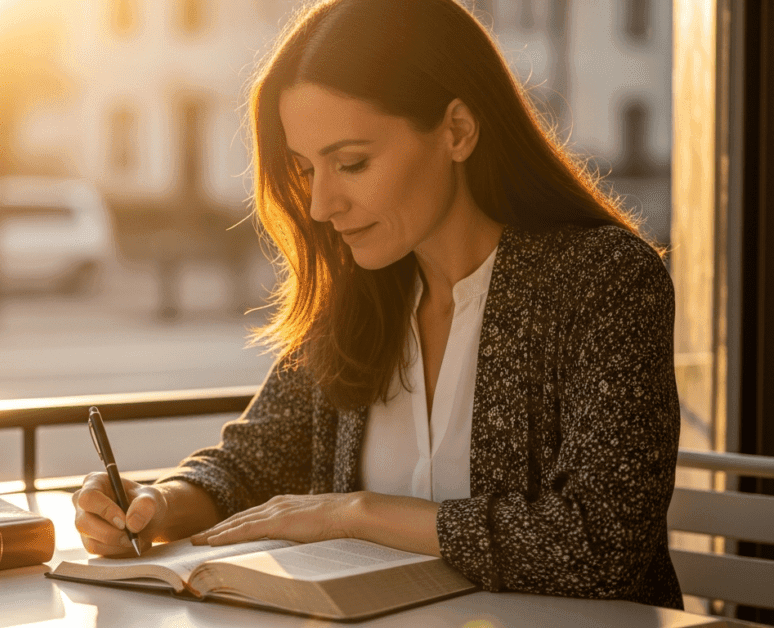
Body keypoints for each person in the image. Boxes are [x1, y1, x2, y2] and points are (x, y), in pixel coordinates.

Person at [73, 0, 682, 610]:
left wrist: (357, 514)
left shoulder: (604, 280)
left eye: (352, 163)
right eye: (307, 169)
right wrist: (157, 504)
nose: (319, 205)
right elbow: (254, 461)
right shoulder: (360, 290)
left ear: (457, 131)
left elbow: (600, 546)